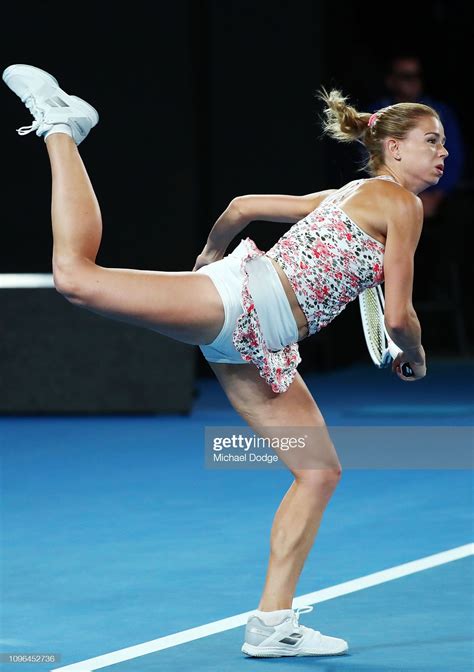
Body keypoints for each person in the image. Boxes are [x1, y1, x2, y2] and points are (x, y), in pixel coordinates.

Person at [3, 64, 444, 658]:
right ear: (393, 148)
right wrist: (413, 357)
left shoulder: (346, 193)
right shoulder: (402, 205)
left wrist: (210, 252)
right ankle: (62, 125)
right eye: (431, 141)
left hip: (254, 337)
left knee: (317, 471)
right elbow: (398, 318)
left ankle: (272, 626)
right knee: (76, 278)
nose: (443, 154)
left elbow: (239, 208)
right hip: (241, 303)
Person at [370, 54, 463, 219]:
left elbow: (454, 157)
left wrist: (436, 195)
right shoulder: (376, 114)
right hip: (384, 199)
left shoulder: (441, 112)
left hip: (434, 204)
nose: (413, 81)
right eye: (406, 76)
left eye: (417, 76)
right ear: (391, 80)